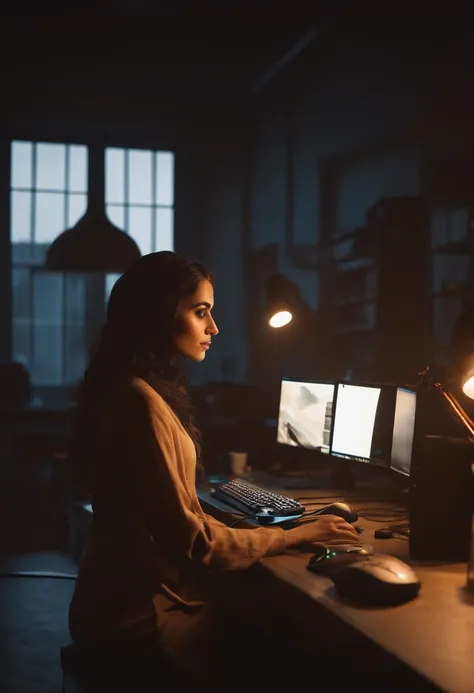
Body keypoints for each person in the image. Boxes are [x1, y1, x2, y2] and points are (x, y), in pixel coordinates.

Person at [67, 251, 359, 688]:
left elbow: (176, 521)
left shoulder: (127, 388)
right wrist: (296, 534)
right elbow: (197, 545)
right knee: (305, 651)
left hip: (110, 603)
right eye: (201, 312)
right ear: (159, 313)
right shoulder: (139, 404)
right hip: (137, 618)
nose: (214, 328)